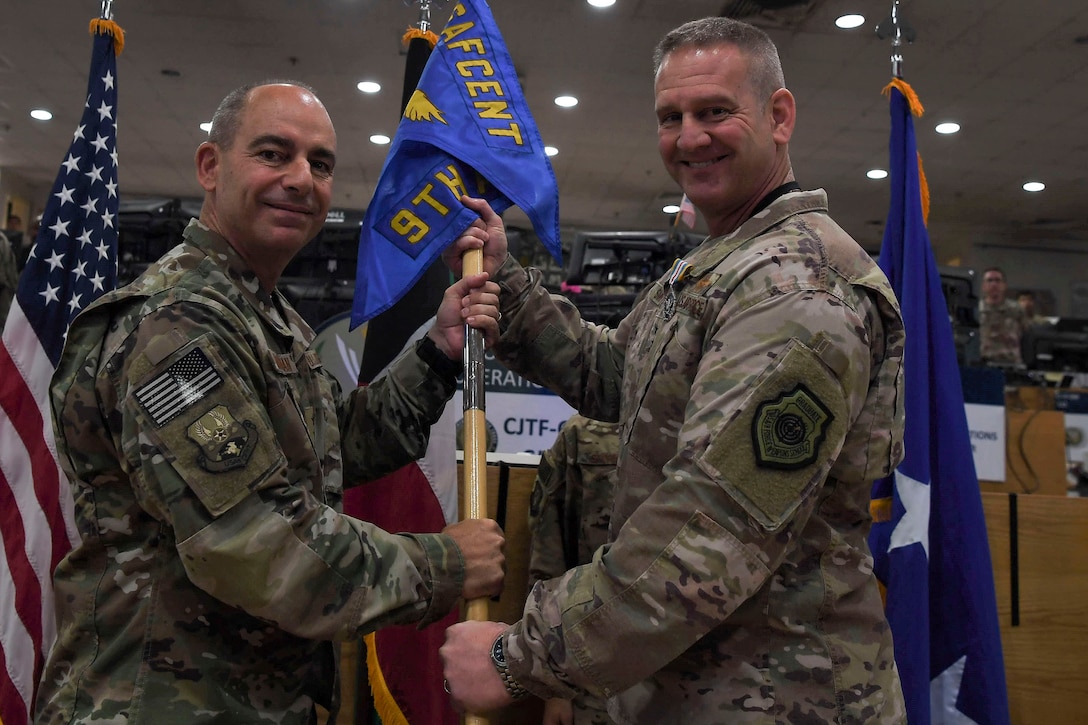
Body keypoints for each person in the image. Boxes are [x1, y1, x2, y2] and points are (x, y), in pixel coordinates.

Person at [439, 17, 907, 723]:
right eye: (671, 117)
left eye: (715, 111)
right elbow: (616, 377)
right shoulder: (721, 263)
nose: (689, 137)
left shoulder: (795, 286)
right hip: (693, 686)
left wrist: (522, 656)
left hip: (781, 695)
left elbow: (713, 529)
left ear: (779, 117)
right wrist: (508, 286)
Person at [34, 80, 507, 725]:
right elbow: (258, 546)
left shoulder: (260, 312)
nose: (300, 179)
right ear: (211, 166)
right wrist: (446, 563)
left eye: (320, 164)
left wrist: (439, 353)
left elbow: (326, 452)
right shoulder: (177, 327)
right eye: (272, 153)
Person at [527, 413, 619, 725]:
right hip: (594, 677)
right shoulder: (585, 434)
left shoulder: (729, 420)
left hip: (707, 683)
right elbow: (550, 562)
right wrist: (555, 688)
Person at [979, 266, 1027, 366]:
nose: (993, 284)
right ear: (983, 286)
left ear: (1004, 285)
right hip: (983, 362)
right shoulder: (977, 309)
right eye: (989, 280)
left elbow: (1026, 334)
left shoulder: (1016, 309)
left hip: (1010, 362)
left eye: (997, 280)